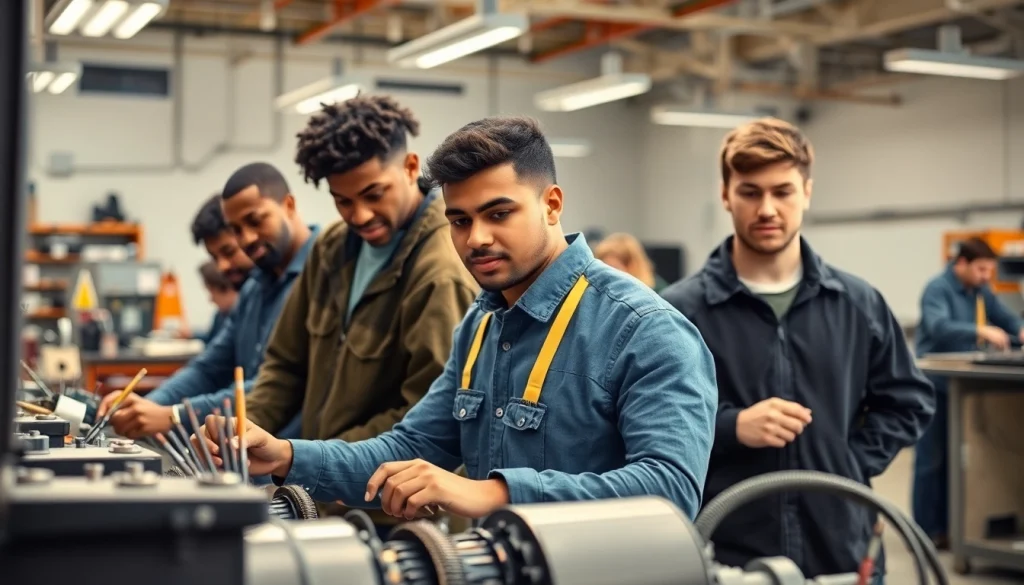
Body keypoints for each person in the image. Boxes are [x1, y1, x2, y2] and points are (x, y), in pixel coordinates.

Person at [196, 115, 718, 524]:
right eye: (460, 220)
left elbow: (670, 490)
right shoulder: (481, 326)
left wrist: (492, 493)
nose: (477, 238)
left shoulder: (645, 330)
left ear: (552, 205)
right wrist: (285, 456)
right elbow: (412, 447)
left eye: (499, 213)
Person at [660, 117, 934, 582]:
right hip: (728, 555)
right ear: (726, 195)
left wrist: (849, 464)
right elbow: (655, 424)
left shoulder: (856, 303)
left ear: (806, 192)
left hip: (840, 551)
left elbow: (909, 402)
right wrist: (731, 427)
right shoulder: (680, 311)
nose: (767, 208)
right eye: (750, 192)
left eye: (782, 191)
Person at [240, 95, 478, 530]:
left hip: (395, 515)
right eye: (343, 201)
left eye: (373, 194)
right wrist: (245, 429)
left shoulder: (440, 274)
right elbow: (286, 366)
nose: (360, 215)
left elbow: (425, 420)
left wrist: (313, 458)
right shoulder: (331, 249)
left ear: (410, 167)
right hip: (322, 490)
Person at [98, 165, 318, 441]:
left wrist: (175, 415)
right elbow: (209, 368)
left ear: (289, 205)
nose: (247, 238)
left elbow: (278, 387)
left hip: (298, 451)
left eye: (255, 221)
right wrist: (147, 406)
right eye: (237, 230)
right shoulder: (254, 289)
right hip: (246, 448)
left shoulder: (321, 275)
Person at [912, 236, 1023, 549]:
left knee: (956, 460)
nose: (987, 276)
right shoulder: (937, 289)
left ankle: (951, 527)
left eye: (990, 270)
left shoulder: (979, 289)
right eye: (982, 269)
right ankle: (924, 532)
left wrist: (1019, 328)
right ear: (962, 263)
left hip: (957, 385)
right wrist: (979, 330)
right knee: (931, 460)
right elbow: (938, 326)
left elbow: (1004, 316)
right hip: (933, 384)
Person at [594, 232, 668, 291]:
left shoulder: (658, 290)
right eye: (603, 267)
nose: (606, 273)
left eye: (614, 267)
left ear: (631, 266)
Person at [197, 261, 237, 344]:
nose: (211, 300)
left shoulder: (240, 317)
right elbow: (212, 338)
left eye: (212, 292)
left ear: (228, 290)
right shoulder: (220, 316)